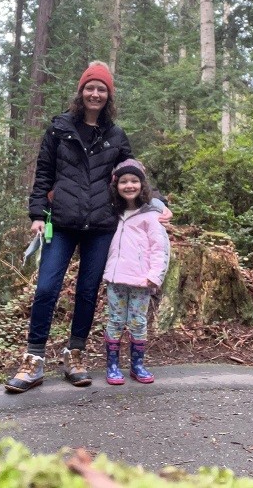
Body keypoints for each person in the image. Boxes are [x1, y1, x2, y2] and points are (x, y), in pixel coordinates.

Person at [5, 62, 134, 393]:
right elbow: (44, 175)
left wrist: (155, 205)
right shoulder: (58, 129)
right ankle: (33, 360)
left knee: (88, 292)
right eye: (90, 88)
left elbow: (132, 177)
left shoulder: (117, 136)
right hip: (61, 223)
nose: (95, 94)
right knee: (47, 288)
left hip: (101, 226)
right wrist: (37, 214)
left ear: (109, 96)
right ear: (81, 92)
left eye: (101, 89)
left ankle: (74, 354)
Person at [102, 158, 170, 384]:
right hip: (116, 279)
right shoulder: (112, 213)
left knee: (138, 321)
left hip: (142, 280)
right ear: (116, 185)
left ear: (142, 185)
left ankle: (137, 364)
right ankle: (112, 365)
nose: (129, 186)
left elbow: (160, 248)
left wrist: (155, 275)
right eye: (123, 181)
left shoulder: (151, 215)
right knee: (115, 320)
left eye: (134, 181)